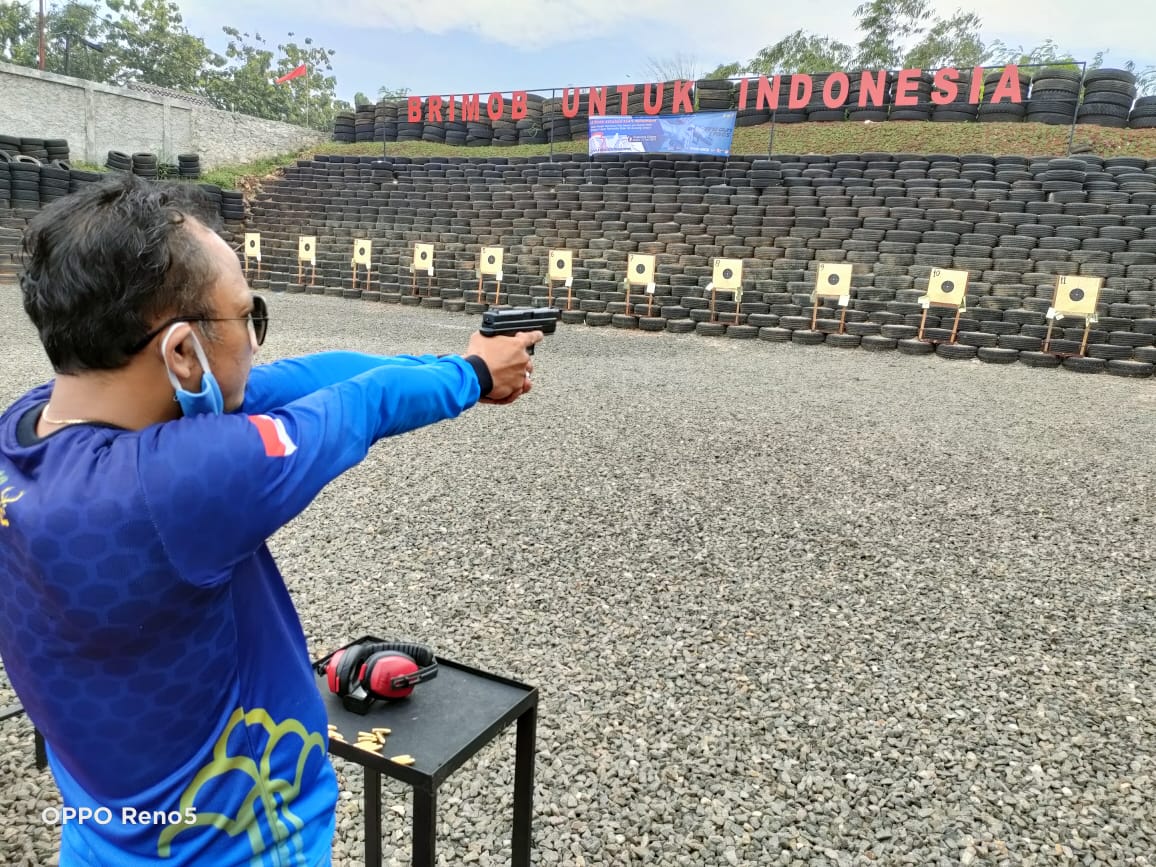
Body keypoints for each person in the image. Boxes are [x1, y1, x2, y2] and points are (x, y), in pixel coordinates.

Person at [0, 172, 541, 866]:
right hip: (242, 846)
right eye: (247, 316)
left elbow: (299, 380)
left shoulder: (29, 427)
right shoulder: (173, 483)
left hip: (102, 836)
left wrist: (452, 359)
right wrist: (471, 375)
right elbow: (362, 405)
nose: (256, 344)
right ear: (181, 352)